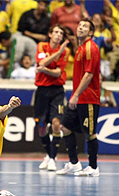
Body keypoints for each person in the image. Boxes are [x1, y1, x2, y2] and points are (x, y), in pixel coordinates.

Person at [56, 18, 101, 177]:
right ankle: (74, 164)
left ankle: (93, 167)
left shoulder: (90, 48)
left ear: (90, 32)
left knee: (90, 133)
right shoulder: (80, 48)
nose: (80, 28)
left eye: (84, 26)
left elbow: (89, 75)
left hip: (88, 98)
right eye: (79, 25)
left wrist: (75, 95)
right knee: (65, 127)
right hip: (79, 97)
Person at [34, 24, 70, 171]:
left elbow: (57, 73)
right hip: (41, 91)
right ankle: (48, 155)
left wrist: (45, 69)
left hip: (57, 91)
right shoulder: (42, 46)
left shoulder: (66, 51)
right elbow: (41, 62)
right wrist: (57, 53)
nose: (58, 35)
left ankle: (53, 159)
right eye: (56, 32)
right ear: (50, 34)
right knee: (41, 128)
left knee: (56, 124)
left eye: (61, 33)